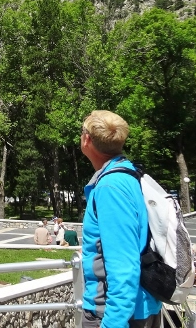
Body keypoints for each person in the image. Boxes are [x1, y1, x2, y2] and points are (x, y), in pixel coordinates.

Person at [81, 110, 161, 328]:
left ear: (87, 139)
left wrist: (113, 323)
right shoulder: (129, 174)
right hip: (140, 306)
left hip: (115, 313)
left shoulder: (110, 188)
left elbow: (123, 265)